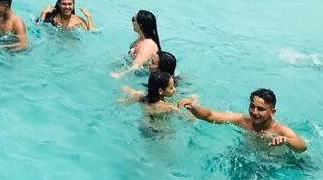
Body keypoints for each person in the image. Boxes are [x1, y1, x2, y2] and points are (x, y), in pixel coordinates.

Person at [178, 88, 307, 152]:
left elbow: (302, 146)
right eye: (252, 106)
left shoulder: (280, 130)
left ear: (272, 112)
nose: (254, 112)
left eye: (260, 109)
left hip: (282, 163)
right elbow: (210, 116)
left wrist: (286, 141)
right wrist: (193, 107)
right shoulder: (242, 120)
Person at [113, 9, 161, 74]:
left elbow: (136, 67)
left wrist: (120, 74)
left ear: (140, 25)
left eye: (133, 19)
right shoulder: (141, 37)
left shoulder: (147, 45)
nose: (132, 22)